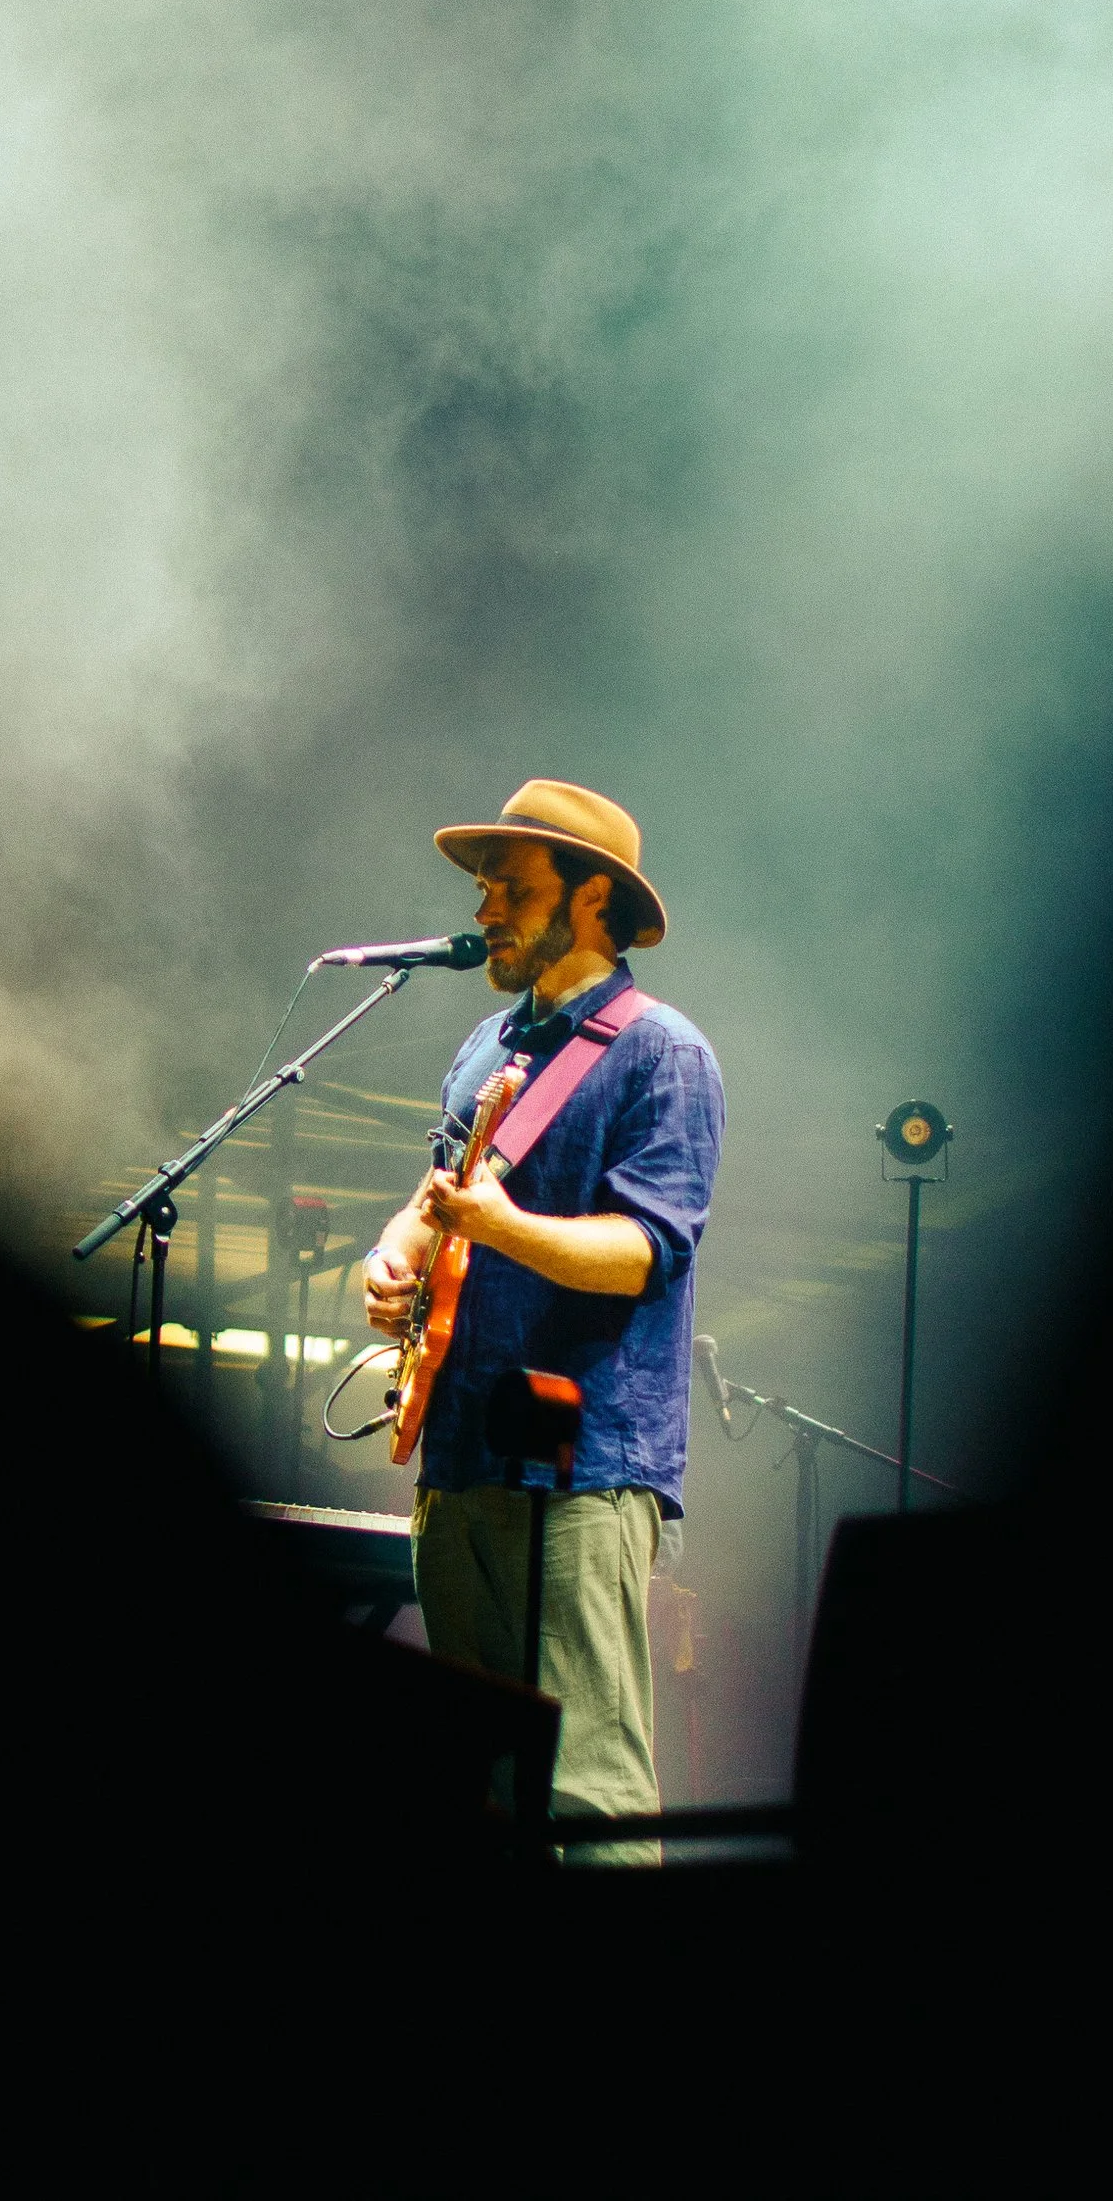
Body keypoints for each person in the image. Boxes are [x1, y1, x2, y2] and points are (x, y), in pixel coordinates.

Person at [362, 779, 724, 1859]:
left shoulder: (663, 1053)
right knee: (477, 1783)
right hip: (463, 1450)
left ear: (591, 898)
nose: (482, 912)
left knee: (586, 1793)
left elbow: (646, 1253)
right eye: (482, 890)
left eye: (508, 888)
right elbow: (434, 1203)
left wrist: (500, 1226)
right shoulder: (480, 1047)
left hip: (582, 1461)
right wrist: (391, 1258)